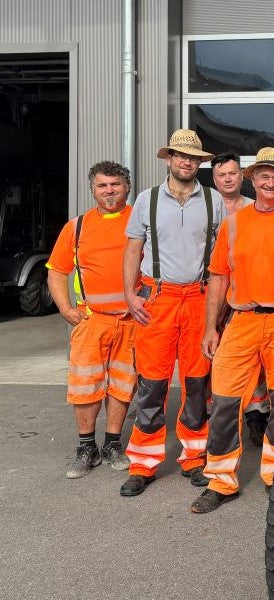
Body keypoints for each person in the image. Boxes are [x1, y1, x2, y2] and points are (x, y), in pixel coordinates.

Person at [193, 147, 274, 513]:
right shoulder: (234, 224)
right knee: (226, 401)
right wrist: (210, 327)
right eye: (264, 174)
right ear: (254, 178)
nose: (271, 181)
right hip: (241, 321)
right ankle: (220, 480)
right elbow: (218, 278)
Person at [120, 129, 223, 497]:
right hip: (157, 299)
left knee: (197, 383)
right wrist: (129, 295)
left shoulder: (214, 201)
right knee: (152, 382)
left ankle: (194, 457)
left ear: (199, 163)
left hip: (198, 298)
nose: (187, 162)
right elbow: (133, 249)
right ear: (169, 158)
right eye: (181, 156)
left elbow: (223, 259)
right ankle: (142, 464)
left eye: (193, 158)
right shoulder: (146, 200)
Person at [47, 161, 136, 479]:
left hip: (131, 322)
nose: (110, 191)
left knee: (122, 386)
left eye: (115, 184)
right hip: (92, 321)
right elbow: (56, 271)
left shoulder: (140, 221)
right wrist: (66, 309)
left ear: (127, 186)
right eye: (102, 185)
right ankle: (87, 447)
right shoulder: (77, 227)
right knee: (85, 386)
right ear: (93, 190)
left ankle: (113, 443)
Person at [211, 150, 270, 447]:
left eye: (232, 173)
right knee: (217, 359)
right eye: (221, 175)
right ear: (214, 178)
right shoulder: (206, 207)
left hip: (245, 295)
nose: (227, 179)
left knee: (255, 364)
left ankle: (257, 416)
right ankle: (218, 416)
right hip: (212, 291)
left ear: (241, 175)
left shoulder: (253, 207)